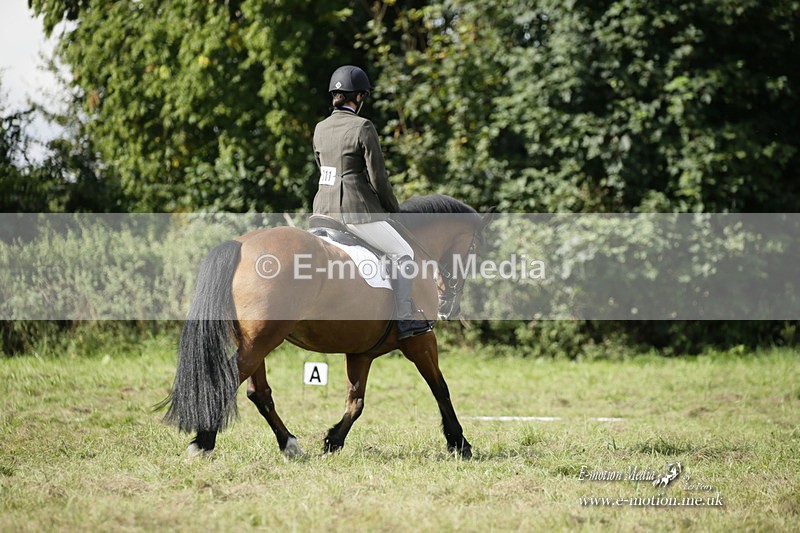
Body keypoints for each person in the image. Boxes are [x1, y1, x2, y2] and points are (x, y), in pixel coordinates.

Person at [311, 65, 432, 340]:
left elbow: (324, 168)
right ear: (359, 97)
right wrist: (394, 210)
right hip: (354, 214)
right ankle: (404, 320)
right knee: (404, 253)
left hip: (321, 212)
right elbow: (378, 179)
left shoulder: (319, 128)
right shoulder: (362, 126)